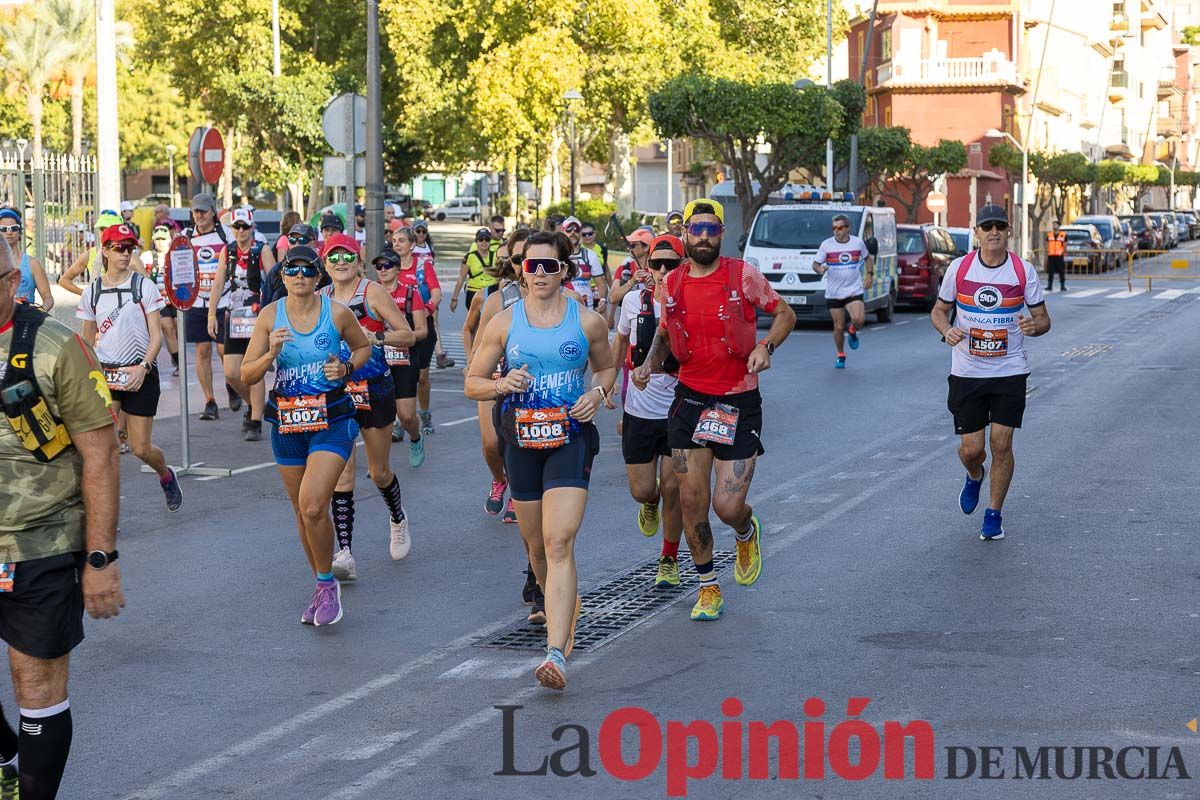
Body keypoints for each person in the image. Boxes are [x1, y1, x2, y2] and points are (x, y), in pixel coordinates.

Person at [0, 235, 124, 799]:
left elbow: (99, 452)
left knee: (36, 683)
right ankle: (8, 760)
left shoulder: (55, 346)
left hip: (39, 542)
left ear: (11, 283)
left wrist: (100, 558)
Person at [632, 198, 795, 621]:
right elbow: (666, 335)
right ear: (685, 233)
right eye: (696, 229)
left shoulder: (743, 275)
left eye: (712, 229)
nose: (704, 237)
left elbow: (784, 313)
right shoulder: (672, 284)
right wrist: (648, 364)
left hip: (738, 399)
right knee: (691, 501)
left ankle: (745, 529)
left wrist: (765, 345)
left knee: (726, 506)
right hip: (689, 399)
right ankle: (707, 587)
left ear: (721, 233)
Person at [466, 230, 615, 691]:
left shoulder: (587, 321)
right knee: (535, 547)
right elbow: (472, 381)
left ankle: (554, 654)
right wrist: (500, 385)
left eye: (551, 266)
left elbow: (608, 367)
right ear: (520, 270)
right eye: (533, 266)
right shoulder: (504, 323)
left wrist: (596, 391)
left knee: (558, 541)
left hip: (570, 437)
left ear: (565, 271)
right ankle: (561, 604)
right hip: (521, 440)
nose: (541, 273)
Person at [240, 245, 371, 626]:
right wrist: (271, 355)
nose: (299, 276)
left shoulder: (337, 313)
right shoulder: (269, 316)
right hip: (287, 424)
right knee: (301, 510)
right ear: (282, 276)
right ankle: (320, 582)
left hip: (332, 418)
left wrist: (345, 367)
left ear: (319, 277)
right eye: (291, 270)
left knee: (314, 504)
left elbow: (362, 347)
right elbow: (247, 374)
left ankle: (329, 583)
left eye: (307, 270)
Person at [929, 204, 1051, 541]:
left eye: (1000, 226)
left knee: (1002, 442)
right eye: (987, 227)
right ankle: (973, 475)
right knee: (971, 449)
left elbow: (1044, 320)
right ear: (977, 233)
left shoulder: (1023, 271)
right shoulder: (960, 269)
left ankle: (993, 514)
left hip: (1010, 370)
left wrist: (1033, 326)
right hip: (967, 370)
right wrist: (946, 330)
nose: (994, 232)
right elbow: (940, 311)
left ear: (1008, 231)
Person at [319, 235, 417, 581]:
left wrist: (374, 338)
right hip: (338, 392)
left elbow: (408, 335)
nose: (341, 262)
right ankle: (345, 552)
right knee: (342, 474)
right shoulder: (321, 298)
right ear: (325, 262)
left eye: (347, 256)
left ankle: (397, 516)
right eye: (334, 257)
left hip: (375, 388)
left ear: (358, 260)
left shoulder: (372, 292)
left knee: (378, 472)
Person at [76, 223, 183, 511]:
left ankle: (165, 475)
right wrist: (88, 376)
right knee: (104, 447)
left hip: (140, 372)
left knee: (140, 448)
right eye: (119, 248)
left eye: (130, 248)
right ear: (106, 251)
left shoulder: (143, 285)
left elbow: (157, 335)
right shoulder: (93, 291)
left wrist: (143, 367)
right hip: (107, 375)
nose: (125, 254)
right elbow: (86, 340)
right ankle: (105, 509)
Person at [608, 234, 685, 587]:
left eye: (672, 263)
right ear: (648, 266)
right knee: (643, 490)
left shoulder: (689, 303)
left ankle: (668, 558)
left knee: (674, 487)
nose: (664, 270)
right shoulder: (633, 302)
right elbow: (621, 340)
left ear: (683, 265)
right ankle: (648, 501)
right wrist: (606, 382)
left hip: (679, 411)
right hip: (640, 412)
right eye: (657, 263)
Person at [463, 229, 526, 525]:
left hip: (527, 383)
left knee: (515, 442)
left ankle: (518, 492)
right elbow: (477, 346)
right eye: (517, 257)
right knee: (490, 444)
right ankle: (499, 479)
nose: (524, 263)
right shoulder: (494, 299)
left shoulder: (552, 296)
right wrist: (473, 368)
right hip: (495, 378)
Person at [209, 207, 275, 441]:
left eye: (244, 227)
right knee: (231, 372)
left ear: (252, 227)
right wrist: (211, 315)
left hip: (257, 315)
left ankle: (255, 419)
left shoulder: (262, 250)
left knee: (254, 369)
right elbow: (217, 284)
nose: (240, 231)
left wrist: (273, 313)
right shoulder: (228, 251)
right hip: (234, 315)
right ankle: (254, 404)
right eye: (236, 226)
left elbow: (275, 281)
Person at [185, 193, 237, 421]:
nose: (199, 216)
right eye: (195, 211)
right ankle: (209, 401)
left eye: (203, 211)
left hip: (224, 299)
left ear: (212, 212)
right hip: (197, 301)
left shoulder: (225, 234)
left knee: (223, 349)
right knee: (202, 350)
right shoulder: (186, 236)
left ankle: (231, 382)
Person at [373, 248, 429, 462]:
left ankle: (415, 437)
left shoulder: (410, 293)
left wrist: (399, 337)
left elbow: (422, 331)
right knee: (381, 416)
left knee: (405, 415)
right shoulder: (371, 293)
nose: (383, 270)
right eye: (379, 266)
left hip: (405, 357)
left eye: (387, 265)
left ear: (398, 269)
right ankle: (379, 463)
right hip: (379, 359)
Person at [392, 228, 443, 435]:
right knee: (398, 374)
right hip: (398, 329)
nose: (397, 244)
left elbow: (436, 293)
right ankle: (399, 421)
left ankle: (425, 414)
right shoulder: (389, 267)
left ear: (412, 244)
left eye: (401, 240)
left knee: (422, 377)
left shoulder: (423, 265)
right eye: (394, 240)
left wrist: (425, 309)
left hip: (422, 326)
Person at [812, 213, 874, 369]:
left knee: (859, 319)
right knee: (839, 326)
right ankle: (840, 354)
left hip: (853, 289)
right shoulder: (826, 245)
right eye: (834, 228)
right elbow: (815, 264)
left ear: (848, 228)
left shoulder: (857, 243)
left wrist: (870, 276)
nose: (836, 231)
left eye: (840, 228)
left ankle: (852, 329)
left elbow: (868, 258)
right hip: (834, 292)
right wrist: (820, 269)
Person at [58, 211, 144, 294]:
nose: (105, 233)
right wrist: (87, 294)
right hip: (97, 307)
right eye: (102, 229)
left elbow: (147, 284)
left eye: (110, 230)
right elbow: (64, 280)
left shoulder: (128, 256)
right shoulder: (90, 254)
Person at [142, 225, 179, 375]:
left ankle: (176, 355)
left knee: (178, 331)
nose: (160, 242)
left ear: (169, 239)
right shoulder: (147, 256)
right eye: (157, 239)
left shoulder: (176, 254)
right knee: (168, 329)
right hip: (159, 300)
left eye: (163, 239)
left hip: (176, 299)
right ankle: (178, 363)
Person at [0, 209, 53, 311]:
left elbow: (48, 298)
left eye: (14, 228)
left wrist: (38, 313)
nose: (9, 232)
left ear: (19, 232)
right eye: (3, 229)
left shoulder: (33, 264)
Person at [262, 223, 319, 306]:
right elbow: (265, 303)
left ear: (313, 243)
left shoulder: (322, 268)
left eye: (302, 240)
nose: (296, 244)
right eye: (292, 240)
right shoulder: (277, 269)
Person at [563, 217, 607, 312]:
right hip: (563, 309)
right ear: (563, 232)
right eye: (569, 229)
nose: (572, 233)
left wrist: (603, 300)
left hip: (586, 309)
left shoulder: (590, 255)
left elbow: (600, 281)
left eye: (576, 229)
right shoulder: (557, 255)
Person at [451, 228, 499, 314]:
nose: (484, 242)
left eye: (487, 239)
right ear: (476, 241)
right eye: (481, 239)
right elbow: (461, 278)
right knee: (475, 322)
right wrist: (454, 299)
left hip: (492, 292)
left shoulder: (496, 255)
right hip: (474, 292)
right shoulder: (469, 257)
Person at [608, 228, 653, 310]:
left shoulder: (657, 269)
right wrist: (631, 282)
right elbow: (612, 298)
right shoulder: (624, 268)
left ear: (646, 247)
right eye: (628, 245)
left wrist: (652, 286)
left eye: (632, 245)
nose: (629, 248)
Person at [1045, 219, 1066, 292]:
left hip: (1059, 256)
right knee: (1050, 271)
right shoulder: (1049, 234)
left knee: (1061, 271)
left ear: (1058, 226)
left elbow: (1065, 245)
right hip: (1051, 255)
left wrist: (1064, 252)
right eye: (1053, 225)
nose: (1054, 226)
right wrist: (1047, 251)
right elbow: (1047, 244)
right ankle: (1049, 286)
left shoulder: (1063, 234)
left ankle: (1062, 286)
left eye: (1055, 225)